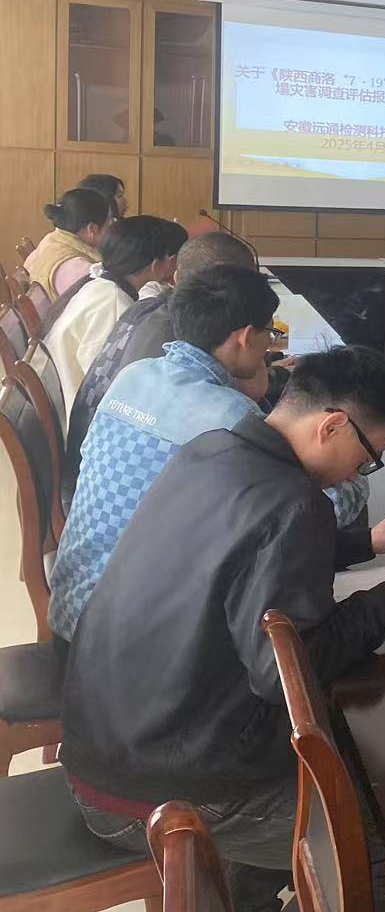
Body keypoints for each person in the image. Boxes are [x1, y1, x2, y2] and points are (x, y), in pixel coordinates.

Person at [60, 345, 385, 912]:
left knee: (345, 763)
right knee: (384, 850)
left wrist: (365, 543)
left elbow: (242, 554)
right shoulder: (296, 503)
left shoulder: (211, 450)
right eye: (368, 459)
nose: (358, 474)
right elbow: (288, 674)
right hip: (154, 794)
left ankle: (248, 909)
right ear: (332, 426)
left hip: (105, 747)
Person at [48, 265, 282, 642]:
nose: (269, 345)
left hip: (69, 606)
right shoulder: (232, 416)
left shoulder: (135, 375)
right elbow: (310, 509)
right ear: (243, 336)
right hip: (126, 643)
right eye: (269, 334)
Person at [62, 231, 262, 499]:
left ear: (176, 276)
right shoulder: (180, 336)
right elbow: (248, 400)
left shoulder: (150, 309)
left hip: (93, 478)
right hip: (108, 486)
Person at [39, 215, 187, 406]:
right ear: (156, 265)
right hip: (76, 409)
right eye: (174, 260)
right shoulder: (113, 301)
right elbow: (106, 380)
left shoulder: (100, 284)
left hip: (66, 399)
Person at [24, 187, 113, 301]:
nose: (113, 227)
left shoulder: (52, 238)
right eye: (110, 222)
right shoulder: (80, 270)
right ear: (92, 229)